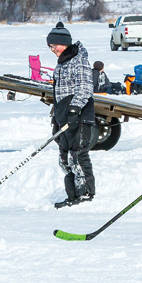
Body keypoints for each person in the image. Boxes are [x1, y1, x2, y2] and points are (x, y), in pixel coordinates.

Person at [47, 22, 96, 208]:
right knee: (64, 158)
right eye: (50, 47)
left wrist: (75, 110)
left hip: (79, 117)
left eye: (54, 45)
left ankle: (85, 195)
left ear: (64, 43)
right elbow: (58, 94)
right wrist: (56, 117)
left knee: (77, 155)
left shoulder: (79, 60)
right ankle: (72, 195)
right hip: (63, 117)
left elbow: (85, 88)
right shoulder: (61, 64)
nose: (52, 49)